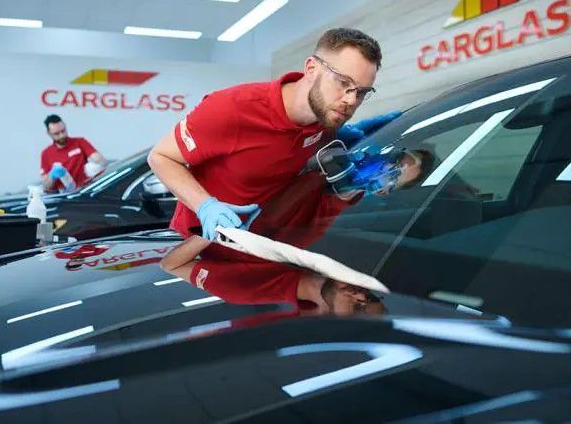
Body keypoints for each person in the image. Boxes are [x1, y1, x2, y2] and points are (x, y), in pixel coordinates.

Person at [148, 28, 400, 243]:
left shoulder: (326, 121)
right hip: (201, 245)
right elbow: (160, 157)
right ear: (311, 68)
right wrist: (205, 206)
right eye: (343, 83)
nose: (350, 100)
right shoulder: (232, 108)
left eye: (362, 92)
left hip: (265, 247)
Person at [160, 237, 386, 317]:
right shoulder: (339, 253)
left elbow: (171, 264)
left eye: (358, 309)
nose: (361, 297)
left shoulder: (246, 289)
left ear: (327, 315)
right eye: (371, 298)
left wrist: (211, 231)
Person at [40, 114, 106, 193]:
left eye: (63, 131)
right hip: (63, 197)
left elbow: (100, 160)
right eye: (56, 134)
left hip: (83, 192)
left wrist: (95, 166)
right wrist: (52, 176)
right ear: (49, 133)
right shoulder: (46, 154)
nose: (61, 136)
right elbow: (46, 186)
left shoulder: (80, 142)